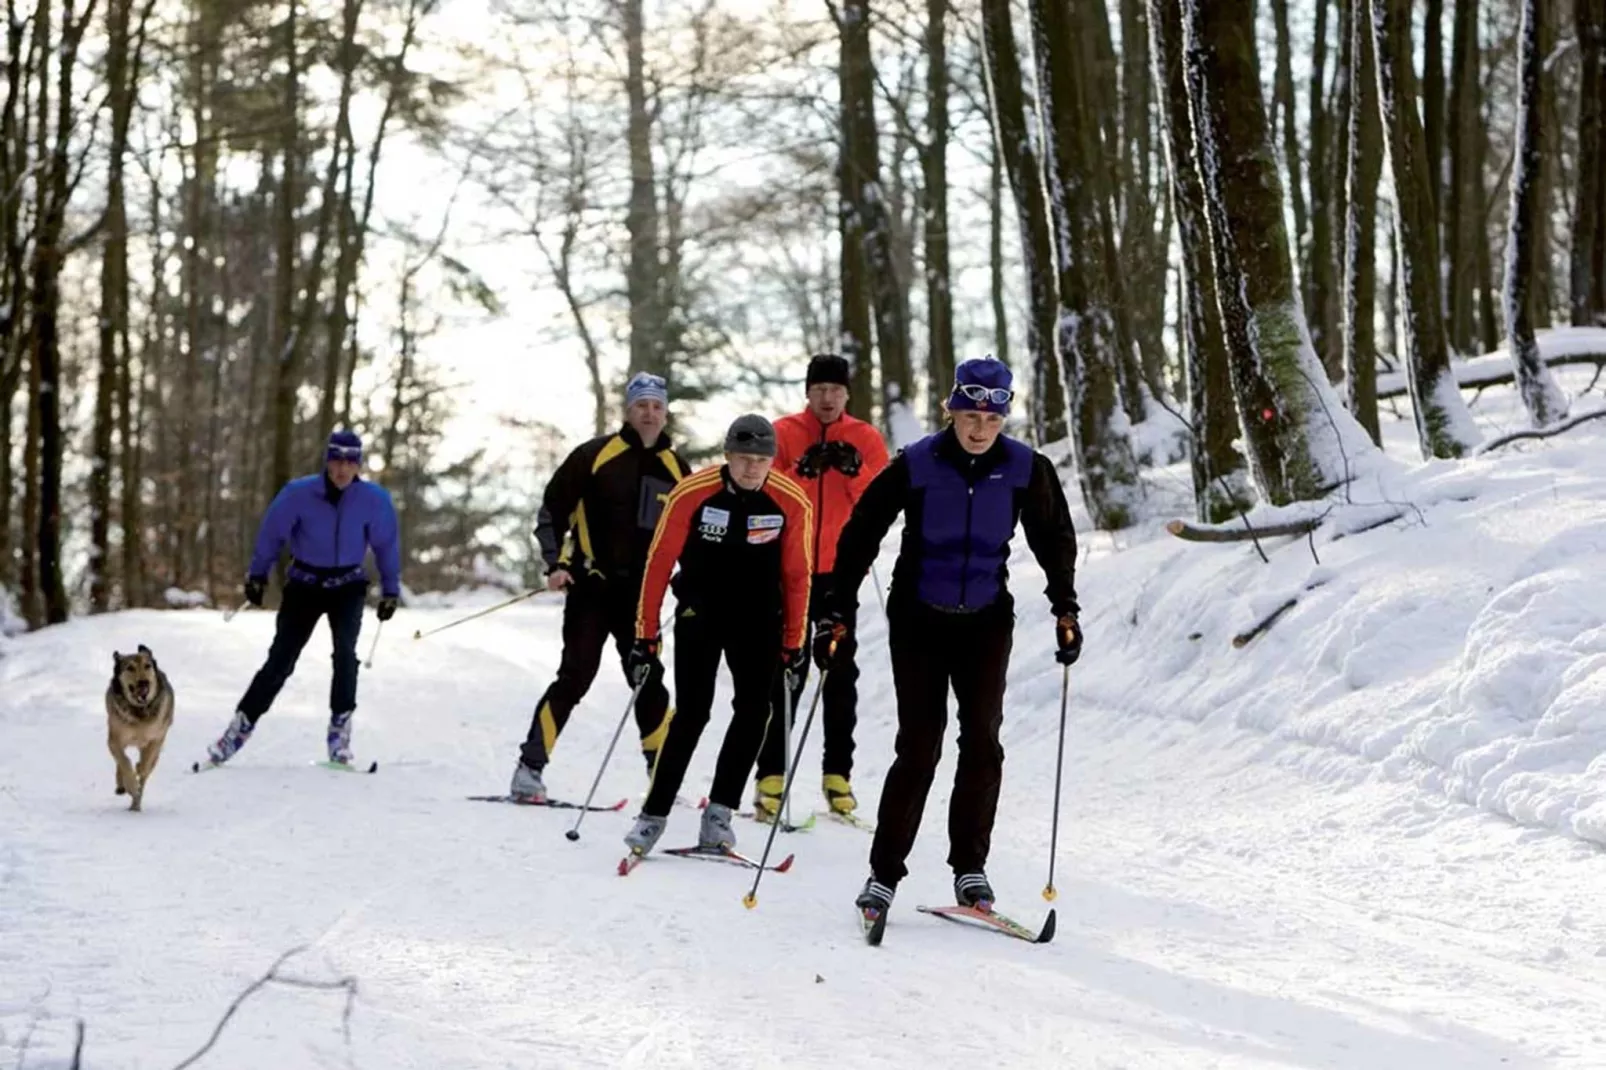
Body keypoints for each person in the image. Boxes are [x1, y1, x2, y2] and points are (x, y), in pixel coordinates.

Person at [817, 357, 1083, 918]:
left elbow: (1054, 537)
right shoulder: (916, 463)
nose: (980, 428)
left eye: (992, 418)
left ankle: (970, 868)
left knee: (983, 743)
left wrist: (1065, 606)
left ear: (1005, 417)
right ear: (952, 410)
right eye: (970, 415)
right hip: (918, 616)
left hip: (986, 618)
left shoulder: (1025, 468)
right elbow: (862, 531)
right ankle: (883, 874)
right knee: (920, 745)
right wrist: (834, 609)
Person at [621, 415, 814, 856]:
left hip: (760, 618)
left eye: (761, 460)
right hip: (700, 612)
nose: (751, 469)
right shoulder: (693, 492)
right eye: (743, 459)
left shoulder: (790, 500)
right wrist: (644, 635)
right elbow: (658, 563)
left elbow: (798, 575)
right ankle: (653, 816)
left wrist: (794, 640)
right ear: (727, 456)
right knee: (692, 713)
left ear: (772, 461)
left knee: (754, 712)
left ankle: (719, 816)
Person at [508, 371, 690, 801]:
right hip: (592, 587)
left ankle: (661, 777)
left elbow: (688, 535)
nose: (649, 413)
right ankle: (528, 770)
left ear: (665, 414)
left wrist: (690, 580)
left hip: (641, 598)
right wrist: (555, 563)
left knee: (649, 681)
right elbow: (552, 512)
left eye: (656, 406)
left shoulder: (676, 469)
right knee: (575, 677)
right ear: (628, 410)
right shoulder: (594, 455)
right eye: (641, 405)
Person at [204, 430, 402, 767]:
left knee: (345, 655)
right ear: (327, 461)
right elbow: (272, 533)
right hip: (305, 584)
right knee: (280, 661)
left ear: (358, 466)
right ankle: (239, 729)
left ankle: (340, 733)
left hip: (348, 585)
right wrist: (257, 574)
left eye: (349, 462)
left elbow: (386, 545)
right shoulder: (299, 494)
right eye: (336, 461)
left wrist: (391, 589)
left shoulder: (373, 499)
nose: (342, 469)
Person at [751, 354, 888, 821]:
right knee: (785, 666)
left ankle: (838, 776)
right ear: (807, 393)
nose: (827, 399)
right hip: (788, 568)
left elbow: (881, 503)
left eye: (835, 390)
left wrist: (854, 472)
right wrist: (801, 473)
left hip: (839, 572)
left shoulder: (865, 437)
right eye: (819, 390)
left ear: (847, 394)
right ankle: (771, 774)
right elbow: (762, 492)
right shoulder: (783, 433)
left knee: (840, 671)